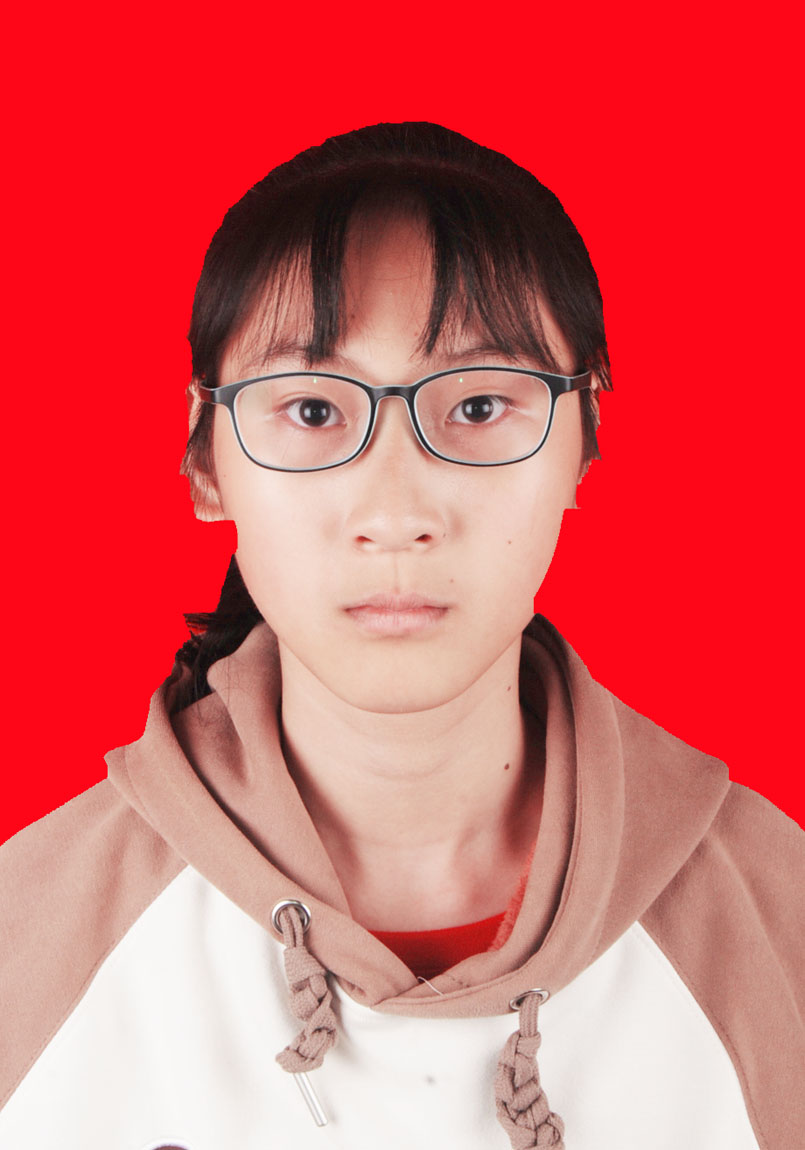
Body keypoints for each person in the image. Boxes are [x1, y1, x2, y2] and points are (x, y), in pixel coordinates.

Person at [0, 122, 802, 1150]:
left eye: (478, 405)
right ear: (204, 461)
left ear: (585, 443)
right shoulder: (31, 937)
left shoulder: (777, 919)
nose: (393, 511)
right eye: (311, 411)